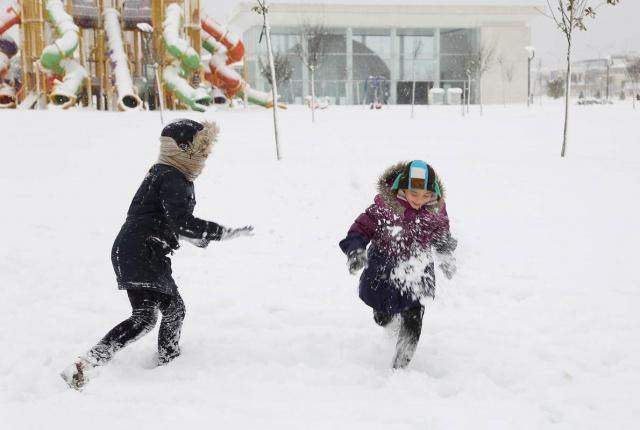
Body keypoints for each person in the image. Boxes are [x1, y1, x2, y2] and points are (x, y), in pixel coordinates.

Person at [61, 119, 253, 389]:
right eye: (203, 149)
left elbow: (164, 219)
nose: (206, 156)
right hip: (143, 251)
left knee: (146, 316)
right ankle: (169, 362)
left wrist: (189, 236)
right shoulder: (173, 177)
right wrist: (219, 232)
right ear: (185, 149)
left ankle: (88, 363)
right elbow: (181, 221)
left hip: (132, 249)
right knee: (172, 310)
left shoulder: (165, 172)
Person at [339, 160, 457, 369]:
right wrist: (355, 249)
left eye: (426, 195)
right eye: (414, 193)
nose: (420, 200)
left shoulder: (435, 210)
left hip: (417, 268)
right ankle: (389, 321)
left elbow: (441, 234)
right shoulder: (384, 208)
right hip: (383, 268)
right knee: (382, 316)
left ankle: (402, 364)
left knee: (414, 313)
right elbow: (360, 228)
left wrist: (446, 254)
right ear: (401, 189)